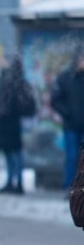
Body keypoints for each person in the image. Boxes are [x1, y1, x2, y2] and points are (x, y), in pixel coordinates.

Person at [0, 55, 36, 194]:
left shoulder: (14, 81)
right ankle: (12, 181)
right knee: (9, 153)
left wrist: (9, 112)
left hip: (11, 123)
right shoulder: (6, 79)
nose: (1, 62)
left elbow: (17, 103)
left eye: (4, 60)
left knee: (15, 153)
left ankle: (18, 183)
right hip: (5, 123)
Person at [50, 48, 84, 189]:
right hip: (70, 125)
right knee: (71, 157)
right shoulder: (65, 78)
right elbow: (55, 100)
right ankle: (69, 186)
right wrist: (67, 113)